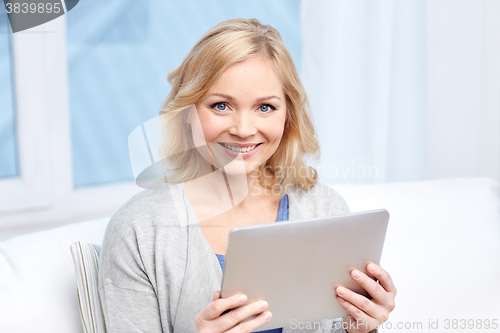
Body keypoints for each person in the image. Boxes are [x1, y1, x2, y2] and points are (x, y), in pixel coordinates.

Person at [98, 18, 396, 333]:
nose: (243, 130)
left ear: (288, 116)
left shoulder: (325, 209)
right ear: (187, 113)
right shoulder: (139, 230)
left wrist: (361, 328)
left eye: (265, 108)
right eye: (221, 106)